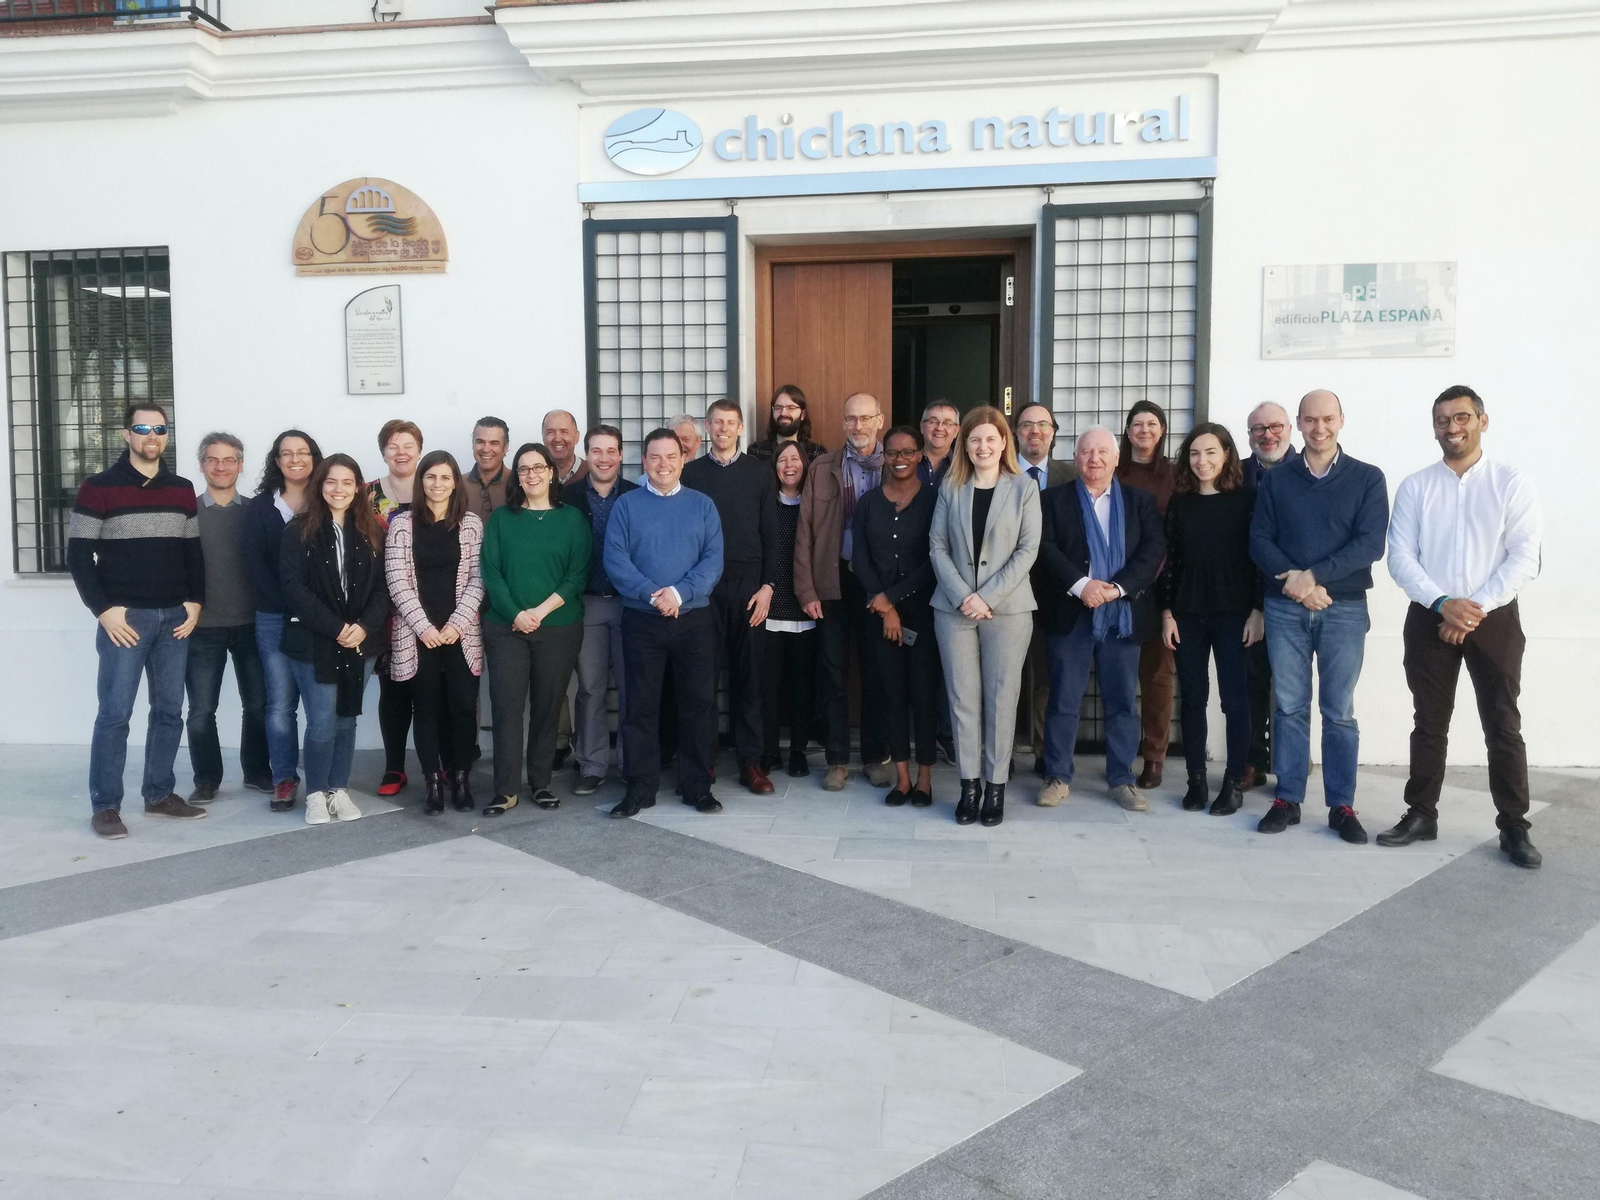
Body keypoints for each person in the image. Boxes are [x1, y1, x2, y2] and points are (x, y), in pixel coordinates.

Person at [1381, 386, 1543, 868]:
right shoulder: (1416, 486)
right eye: (1442, 420)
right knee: (1428, 721)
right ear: (1433, 427)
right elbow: (1401, 557)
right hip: (1429, 616)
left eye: (1462, 417)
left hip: (1495, 619)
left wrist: (1472, 611)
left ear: (1482, 421)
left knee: (1502, 722)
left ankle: (1514, 825)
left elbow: (1525, 556)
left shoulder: (1511, 482)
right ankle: (1421, 813)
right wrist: (1442, 603)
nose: (1452, 427)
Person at [1250, 389, 1389, 843]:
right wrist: (1297, 584)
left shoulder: (1368, 478)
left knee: (1339, 711)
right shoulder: (1278, 479)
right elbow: (1260, 541)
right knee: (1289, 706)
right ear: (1299, 423)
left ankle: (1341, 805)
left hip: (1344, 608)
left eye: (1328, 418)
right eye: (1310, 420)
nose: (1319, 428)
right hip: (1287, 608)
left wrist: (1312, 577)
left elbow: (1369, 544)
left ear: (1341, 420)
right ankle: (1287, 798)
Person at [71, 404, 207, 839]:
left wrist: (196, 603)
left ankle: (159, 794)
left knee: (169, 711)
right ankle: (106, 805)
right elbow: (78, 555)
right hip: (124, 619)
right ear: (126, 434)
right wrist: (104, 610)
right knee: (114, 714)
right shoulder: (99, 488)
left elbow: (192, 554)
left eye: (160, 429)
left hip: (175, 620)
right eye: (143, 428)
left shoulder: (182, 489)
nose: (153, 436)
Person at [1035, 427, 1165, 812]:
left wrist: (1117, 588)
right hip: (1070, 611)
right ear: (1075, 459)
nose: (1094, 458)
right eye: (1086, 452)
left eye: (1102, 452)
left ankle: (1121, 779)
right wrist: (1081, 584)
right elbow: (1044, 547)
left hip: (1121, 615)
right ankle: (1057, 776)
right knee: (1063, 697)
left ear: (1116, 458)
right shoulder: (1052, 500)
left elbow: (1153, 549)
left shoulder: (1139, 502)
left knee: (1123, 700)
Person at [604, 427, 725, 818]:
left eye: (671, 456)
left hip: (694, 619)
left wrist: (679, 594)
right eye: (655, 457)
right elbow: (616, 560)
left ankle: (698, 786)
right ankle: (639, 788)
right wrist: (654, 594)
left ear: (683, 459)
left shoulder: (703, 505)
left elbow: (712, 560)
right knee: (640, 706)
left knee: (699, 704)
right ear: (644, 462)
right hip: (642, 619)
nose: (663, 464)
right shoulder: (627, 505)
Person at [929, 406, 1041, 827]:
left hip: (1007, 610)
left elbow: (1027, 550)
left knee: (1000, 698)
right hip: (954, 609)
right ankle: (968, 786)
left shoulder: (1023, 488)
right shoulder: (951, 486)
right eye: (975, 438)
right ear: (965, 443)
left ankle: (995, 787)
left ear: (1004, 443)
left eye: (991, 438)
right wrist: (964, 596)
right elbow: (937, 545)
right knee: (962, 700)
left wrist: (987, 596)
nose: (983, 445)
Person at [278, 454, 389, 825]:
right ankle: (315, 794)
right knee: (321, 720)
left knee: (346, 718)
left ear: (358, 487)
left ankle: (338, 790)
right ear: (319, 485)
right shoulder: (298, 531)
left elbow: (384, 588)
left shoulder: (372, 530)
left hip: (360, 640)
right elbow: (293, 589)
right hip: (315, 640)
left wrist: (364, 626)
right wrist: (336, 627)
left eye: (346, 482)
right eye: (331, 482)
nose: (338, 490)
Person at [1159, 423, 1263, 817]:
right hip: (1187, 613)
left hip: (1234, 614)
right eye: (1195, 454)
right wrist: (1167, 612)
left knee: (1234, 701)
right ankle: (1196, 779)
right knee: (1192, 698)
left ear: (1227, 456)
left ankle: (1234, 782)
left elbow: (1258, 560)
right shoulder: (1180, 501)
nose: (1202, 461)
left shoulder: (1247, 499)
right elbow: (1169, 562)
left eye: (1211, 453)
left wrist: (1258, 610)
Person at [480, 442, 590, 815]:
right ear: (518, 476)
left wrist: (539, 612)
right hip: (506, 628)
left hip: (558, 626)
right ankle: (505, 789)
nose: (531, 474)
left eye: (538, 467)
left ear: (550, 472)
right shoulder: (501, 519)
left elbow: (577, 575)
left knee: (547, 706)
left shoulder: (572, 518)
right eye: (523, 469)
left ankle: (541, 783)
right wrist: (516, 614)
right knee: (507, 708)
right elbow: (491, 573)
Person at [796, 392, 894, 791]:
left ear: (880, 420)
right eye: (851, 418)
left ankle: (874, 756)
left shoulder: (897, 465)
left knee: (877, 672)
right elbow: (804, 532)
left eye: (866, 418)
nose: (858, 426)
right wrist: (806, 589)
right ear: (842, 423)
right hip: (832, 579)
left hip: (878, 585)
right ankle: (837, 760)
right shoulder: (822, 468)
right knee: (833, 673)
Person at [683, 399, 781, 795]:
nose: (723, 428)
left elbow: (773, 534)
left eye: (730, 423)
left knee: (749, 678)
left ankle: (751, 762)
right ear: (707, 427)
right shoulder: (690, 474)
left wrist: (768, 587)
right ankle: (702, 763)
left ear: (740, 428)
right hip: (703, 588)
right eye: (717, 422)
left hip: (749, 586)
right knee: (700, 680)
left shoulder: (760, 473)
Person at [384, 450, 484, 816]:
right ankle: (432, 784)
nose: (437, 484)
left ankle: (460, 779)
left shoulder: (471, 524)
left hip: (461, 632)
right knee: (424, 709)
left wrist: (456, 624)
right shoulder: (401, 523)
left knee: (461, 707)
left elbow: (479, 578)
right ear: (421, 480)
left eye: (445, 477)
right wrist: (424, 627)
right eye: (430, 477)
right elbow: (396, 581)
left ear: (455, 482)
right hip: (417, 634)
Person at [853, 426, 940, 807]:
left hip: (924, 615)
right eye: (892, 453)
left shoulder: (937, 500)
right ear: (883, 457)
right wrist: (882, 604)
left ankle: (925, 779)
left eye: (907, 452)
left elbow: (935, 560)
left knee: (923, 695)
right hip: (878, 617)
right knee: (890, 694)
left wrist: (892, 599)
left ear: (920, 455)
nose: (900, 459)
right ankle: (902, 779)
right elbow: (861, 559)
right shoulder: (869, 502)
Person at [184, 432, 271, 805]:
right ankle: (206, 778)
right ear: (202, 464)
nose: (221, 466)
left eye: (229, 459)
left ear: (240, 464)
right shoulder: (186, 514)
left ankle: (256, 772)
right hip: (202, 628)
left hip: (252, 625)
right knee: (202, 710)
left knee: (258, 705)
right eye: (213, 460)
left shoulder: (257, 511)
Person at [245, 429, 323, 812]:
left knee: (319, 704)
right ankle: (284, 779)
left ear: (314, 458)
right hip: (274, 618)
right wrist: (292, 603)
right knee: (279, 704)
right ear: (276, 461)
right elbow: (256, 567)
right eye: (286, 453)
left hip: (319, 620)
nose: (295, 459)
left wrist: (311, 609)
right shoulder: (260, 509)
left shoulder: (328, 502)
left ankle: (321, 781)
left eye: (303, 452)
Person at [566, 424, 637, 796]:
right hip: (588, 603)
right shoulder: (567, 496)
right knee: (591, 689)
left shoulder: (637, 495)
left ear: (621, 455)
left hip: (631, 604)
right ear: (587, 454)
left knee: (631, 688)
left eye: (611, 451)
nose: (604, 458)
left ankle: (630, 764)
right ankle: (591, 765)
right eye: (597, 451)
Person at [1115, 400, 1177, 790]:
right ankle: (1118, 753)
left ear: (1162, 430)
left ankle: (1154, 757)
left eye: (1151, 424)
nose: (1144, 430)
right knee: (1117, 673)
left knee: (1156, 675)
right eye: (1136, 424)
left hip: (1161, 584)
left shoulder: (1174, 474)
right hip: (1116, 583)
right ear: (1127, 431)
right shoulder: (1113, 471)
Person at [1014, 404, 1076, 772]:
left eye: (1043, 425)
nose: (1035, 431)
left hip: (1058, 593)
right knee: (1005, 676)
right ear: (1015, 432)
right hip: (1008, 591)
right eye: (1026, 425)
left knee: (1050, 676)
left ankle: (1042, 751)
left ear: (1054, 432)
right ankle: (1000, 752)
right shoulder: (999, 472)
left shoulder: (1071, 475)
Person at [1239, 402, 1297, 792]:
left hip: (1300, 596)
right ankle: (1252, 761)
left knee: (1294, 691)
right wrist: (1255, 606)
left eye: (1274, 426)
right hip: (1248, 599)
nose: (1267, 435)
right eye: (1258, 429)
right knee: (1251, 683)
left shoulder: (1308, 471)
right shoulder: (1237, 473)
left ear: (1290, 429)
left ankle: (1292, 764)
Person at [368, 418, 423, 798]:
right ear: (383, 452)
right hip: (384, 607)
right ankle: (394, 767)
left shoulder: (437, 487)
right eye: (393, 446)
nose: (400, 452)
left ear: (419, 449)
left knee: (434, 688)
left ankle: (443, 765)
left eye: (408, 445)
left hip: (436, 607)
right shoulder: (365, 495)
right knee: (394, 689)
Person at [761, 442, 819, 778]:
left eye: (795, 459)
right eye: (782, 460)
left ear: (805, 465)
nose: (789, 465)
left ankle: (798, 750)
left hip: (805, 608)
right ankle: (770, 750)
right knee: (768, 687)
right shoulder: (765, 504)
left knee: (802, 686)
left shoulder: (813, 505)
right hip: (769, 609)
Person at [749, 384, 828, 463]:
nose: (783, 413)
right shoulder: (757, 451)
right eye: (778, 408)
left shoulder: (817, 453)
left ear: (803, 414)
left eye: (791, 408)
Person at [462, 415, 511, 519]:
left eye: (494, 443)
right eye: (480, 442)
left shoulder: (518, 483)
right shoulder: (457, 484)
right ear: (473, 444)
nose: (486, 449)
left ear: (505, 448)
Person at [918, 402, 961, 487]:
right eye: (933, 422)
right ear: (922, 427)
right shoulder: (908, 462)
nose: (939, 428)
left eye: (948, 423)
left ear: (956, 431)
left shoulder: (963, 467)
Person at [543, 409, 589, 486]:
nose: (557, 439)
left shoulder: (591, 473)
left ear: (577, 437)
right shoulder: (534, 476)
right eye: (550, 432)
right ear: (543, 437)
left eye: (564, 432)